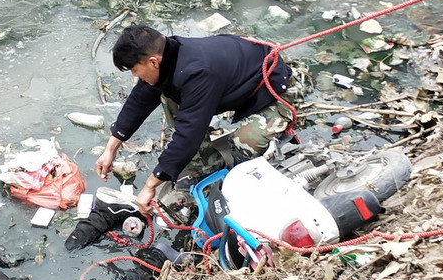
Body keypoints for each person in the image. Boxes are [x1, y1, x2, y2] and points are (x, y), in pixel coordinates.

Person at [94, 25, 296, 214]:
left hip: (273, 92)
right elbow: (139, 99)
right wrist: (111, 148)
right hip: (237, 86)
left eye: (135, 70)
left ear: (153, 61)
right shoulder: (168, 56)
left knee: (244, 144)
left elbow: (188, 135)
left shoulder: (197, 72)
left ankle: (233, 174)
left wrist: (150, 185)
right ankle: (207, 165)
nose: (134, 75)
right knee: (168, 95)